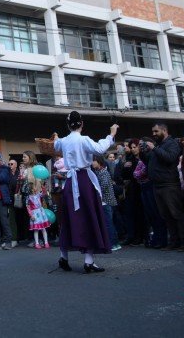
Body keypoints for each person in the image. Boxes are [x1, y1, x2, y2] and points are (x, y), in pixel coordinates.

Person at [53, 111, 117, 273]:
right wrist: (111, 134)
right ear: (81, 124)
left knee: (68, 218)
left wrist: (55, 137)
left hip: (70, 182)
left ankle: (63, 257)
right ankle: (88, 261)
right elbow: (100, 149)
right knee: (89, 217)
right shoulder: (84, 140)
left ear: (68, 125)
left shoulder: (63, 141)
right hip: (84, 181)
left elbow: (55, 144)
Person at [145, 123, 184, 251]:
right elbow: (150, 161)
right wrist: (143, 153)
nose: (154, 134)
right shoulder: (159, 145)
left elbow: (170, 158)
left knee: (176, 214)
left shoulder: (172, 143)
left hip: (169, 184)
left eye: (156, 131)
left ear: (164, 130)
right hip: (158, 185)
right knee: (166, 215)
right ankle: (174, 242)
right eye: (153, 131)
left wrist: (154, 149)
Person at [131, 138, 167, 249]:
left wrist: (138, 174)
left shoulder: (153, 154)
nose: (142, 147)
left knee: (156, 214)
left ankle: (162, 240)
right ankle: (155, 239)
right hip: (143, 187)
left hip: (151, 186)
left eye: (143, 145)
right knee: (150, 215)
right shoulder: (143, 157)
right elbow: (135, 173)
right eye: (140, 145)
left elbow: (143, 171)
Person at [91, 155, 120, 251]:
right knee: (108, 222)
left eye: (94, 161)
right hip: (105, 202)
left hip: (106, 201)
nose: (92, 163)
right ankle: (114, 243)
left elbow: (103, 186)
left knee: (108, 223)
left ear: (99, 161)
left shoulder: (103, 172)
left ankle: (113, 243)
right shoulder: (98, 172)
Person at [23, 151, 50, 249]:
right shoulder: (25, 169)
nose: (23, 158)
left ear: (30, 157)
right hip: (32, 198)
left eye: (25, 157)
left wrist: (42, 188)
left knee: (42, 225)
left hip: (39, 197)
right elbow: (26, 187)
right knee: (35, 225)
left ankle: (44, 241)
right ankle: (37, 241)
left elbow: (43, 180)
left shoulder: (37, 167)